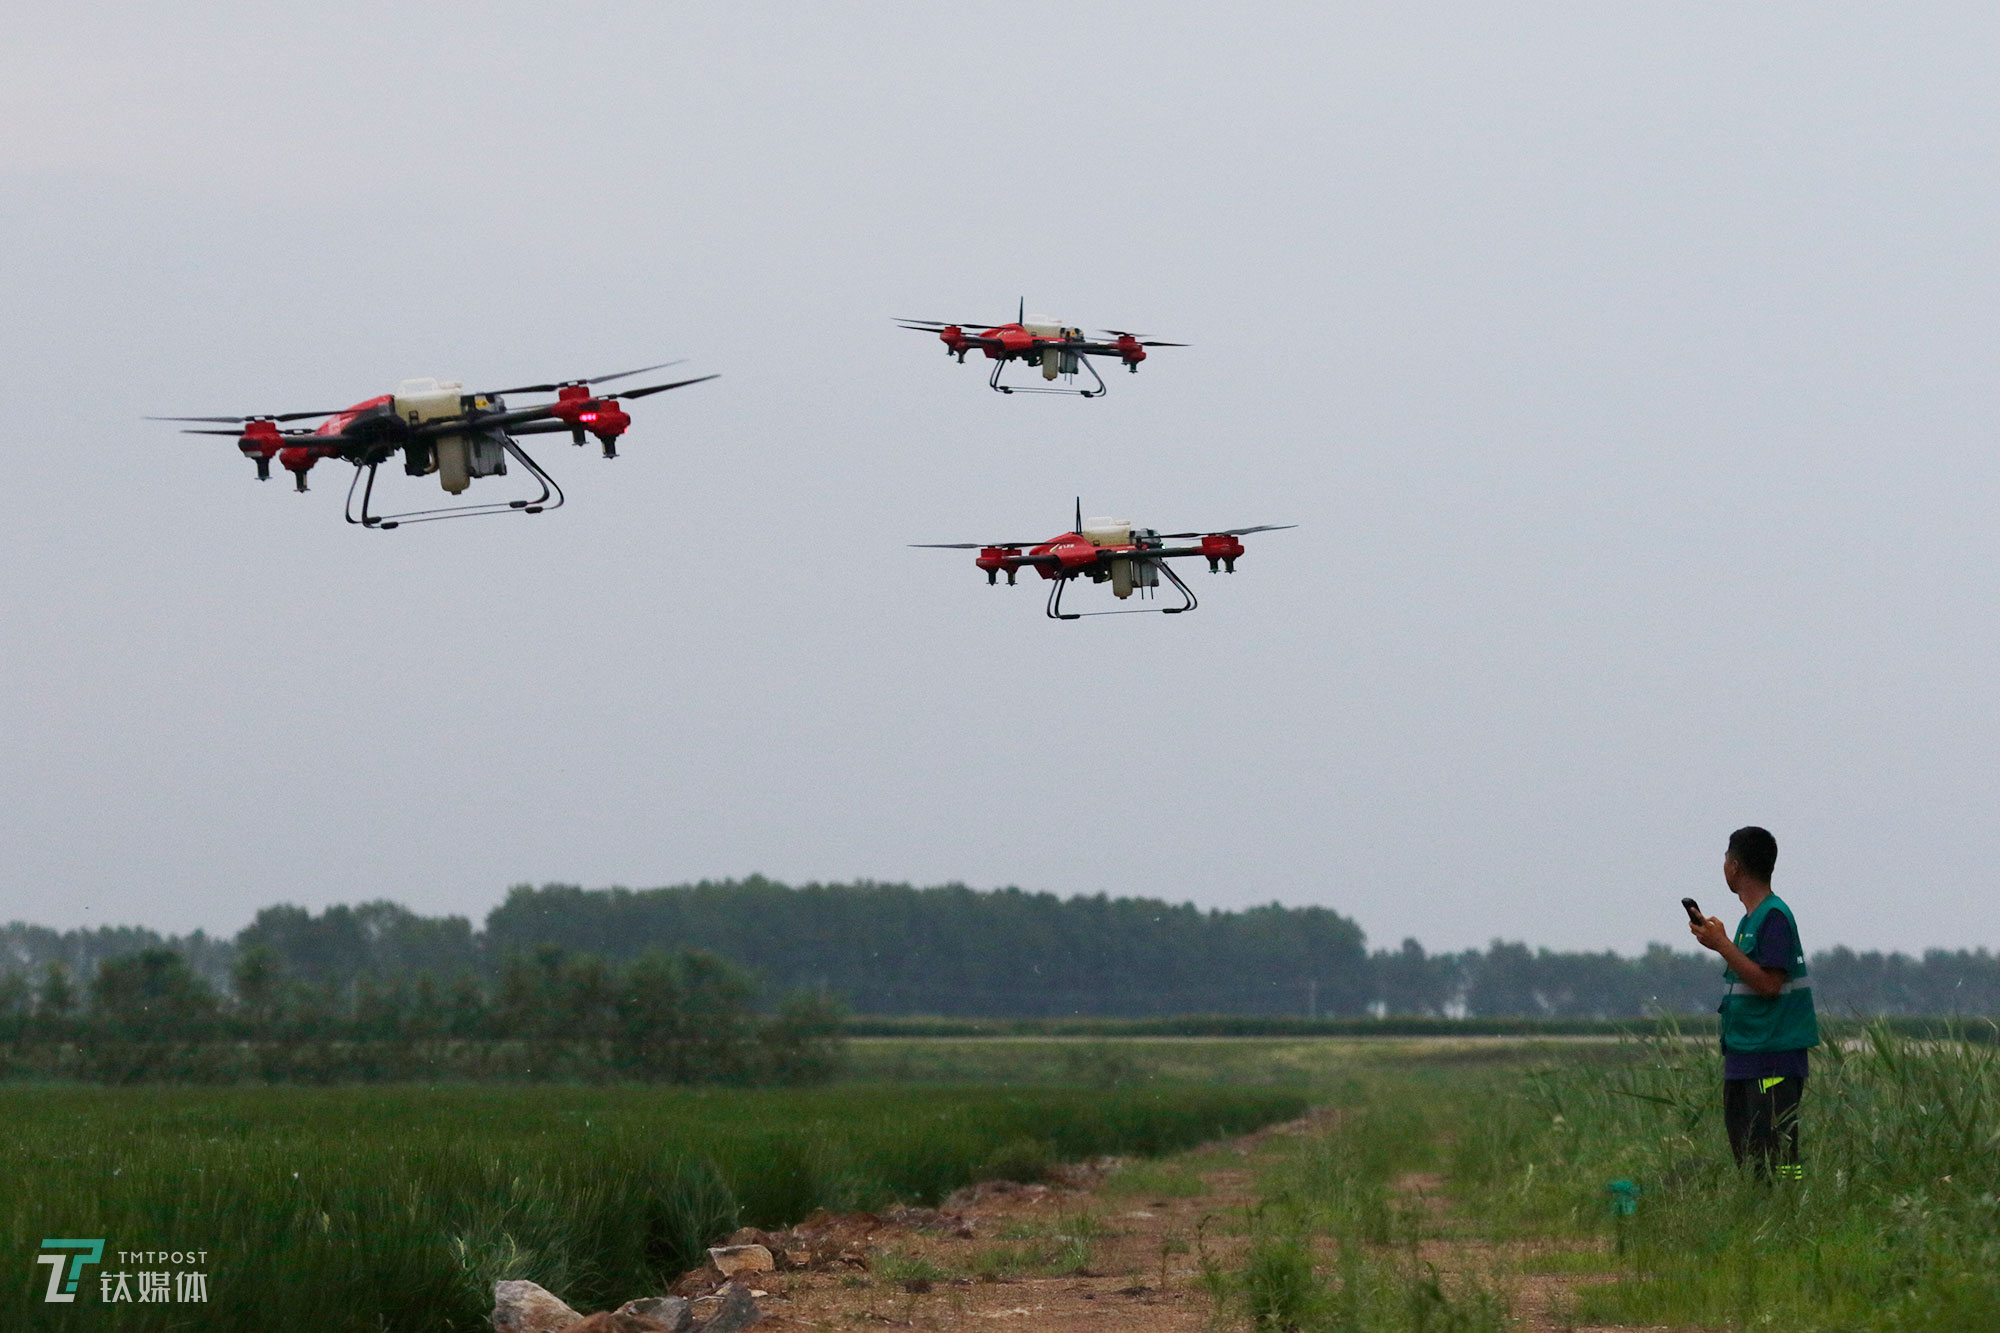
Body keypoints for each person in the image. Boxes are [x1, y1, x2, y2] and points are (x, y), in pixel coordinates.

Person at [1688, 825, 1819, 1181]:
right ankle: (1762, 1212)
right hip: (1746, 1056)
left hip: (1772, 1057)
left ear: (1735, 867)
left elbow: (1769, 984)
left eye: (1725, 860)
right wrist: (1722, 942)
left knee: (1778, 1156)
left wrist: (1723, 946)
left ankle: (1788, 1210)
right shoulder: (1750, 920)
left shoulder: (1773, 916)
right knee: (1750, 1158)